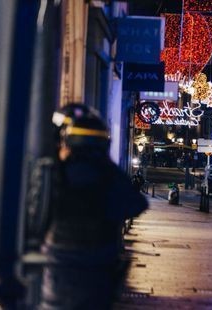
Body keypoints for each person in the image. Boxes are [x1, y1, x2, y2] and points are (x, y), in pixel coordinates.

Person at [40, 104, 148, 310]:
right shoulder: (107, 174)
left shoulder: (58, 171)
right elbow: (136, 204)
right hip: (99, 262)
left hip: (60, 262)